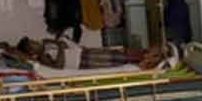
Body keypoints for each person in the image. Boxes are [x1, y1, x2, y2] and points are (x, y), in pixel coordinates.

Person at [16, 36, 163, 70]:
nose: (36, 43)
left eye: (33, 41)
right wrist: (60, 47)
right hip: (83, 62)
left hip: (85, 52)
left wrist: (60, 41)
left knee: (119, 54)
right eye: (33, 45)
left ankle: (151, 56)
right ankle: (150, 62)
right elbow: (59, 65)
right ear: (31, 52)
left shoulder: (46, 42)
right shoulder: (42, 59)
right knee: (117, 62)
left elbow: (65, 42)